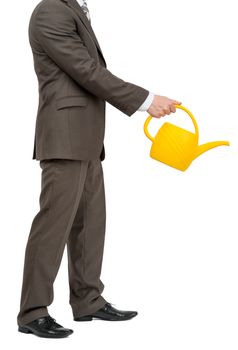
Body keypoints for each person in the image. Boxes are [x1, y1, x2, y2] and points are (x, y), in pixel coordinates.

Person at [17, 0, 182, 339]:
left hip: (86, 135)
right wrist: (146, 100)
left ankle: (87, 299)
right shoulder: (51, 11)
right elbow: (86, 70)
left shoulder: (75, 8)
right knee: (54, 224)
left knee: (91, 220)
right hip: (64, 135)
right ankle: (33, 312)